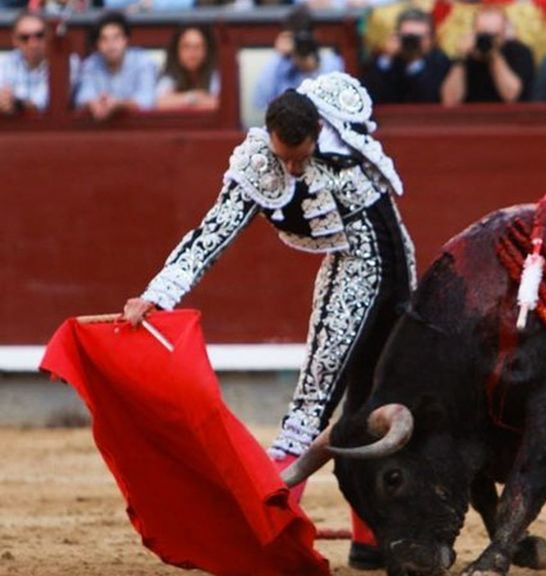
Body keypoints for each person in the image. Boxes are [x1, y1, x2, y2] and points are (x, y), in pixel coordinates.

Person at [122, 73, 415, 570]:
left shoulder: (341, 127)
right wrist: (155, 296)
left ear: (318, 129)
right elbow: (210, 236)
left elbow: (388, 219)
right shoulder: (259, 165)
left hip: (398, 270)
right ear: (270, 137)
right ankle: (263, 536)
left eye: (302, 154)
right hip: (353, 271)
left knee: (373, 403)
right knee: (311, 407)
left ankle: (369, 540)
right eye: (286, 157)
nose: (295, 167)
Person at [440, 4, 535, 105]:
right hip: (471, 117)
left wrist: (495, 55)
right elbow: (450, 101)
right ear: (474, 32)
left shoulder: (519, 52)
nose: (487, 39)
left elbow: (511, 95)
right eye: (482, 34)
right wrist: (460, 58)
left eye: (494, 35)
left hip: (506, 116)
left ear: (504, 34)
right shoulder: (465, 55)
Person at [252, 7, 344, 111]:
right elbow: (260, 102)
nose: (301, 44)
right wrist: (278, 55)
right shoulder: (281, 66)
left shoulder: (332, 63)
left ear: (315, 36)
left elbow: (339, 107)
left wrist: (312, 68)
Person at [75, 11, 157, 120]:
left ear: (125, 40)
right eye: (104, 39)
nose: (111, 45)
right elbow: (82, 97)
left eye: (116, 38)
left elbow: (147, 101)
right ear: (97, 44)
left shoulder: (143, 61)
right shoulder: (91, 64)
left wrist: (119, 104)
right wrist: (94, 103)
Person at [361, 7, 451, 104]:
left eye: (418, 38)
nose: (412, 43)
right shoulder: (387, 62)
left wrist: (415, 62)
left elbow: (429, 98)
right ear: (397, 36)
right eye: (408, 38)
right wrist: (387, 57)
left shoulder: (440, 62)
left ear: (431, 39)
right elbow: (369, 95)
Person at [155, 25, 219, 111]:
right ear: (176, 51)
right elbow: (158, 104)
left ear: (207, 51)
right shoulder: (169, 76)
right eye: (186, 47)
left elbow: (219, 104)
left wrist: (178, 102)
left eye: (198, 47)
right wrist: (192, 97)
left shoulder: (215, 74)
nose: (192, 53)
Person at [0, 11, 49, 115]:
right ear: (14, 40)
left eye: (39, 36)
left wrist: (16, 103)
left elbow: (42, 103)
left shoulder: (65, 64)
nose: (33, 44)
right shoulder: (4, 62)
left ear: (48, 35)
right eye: (25, 38)